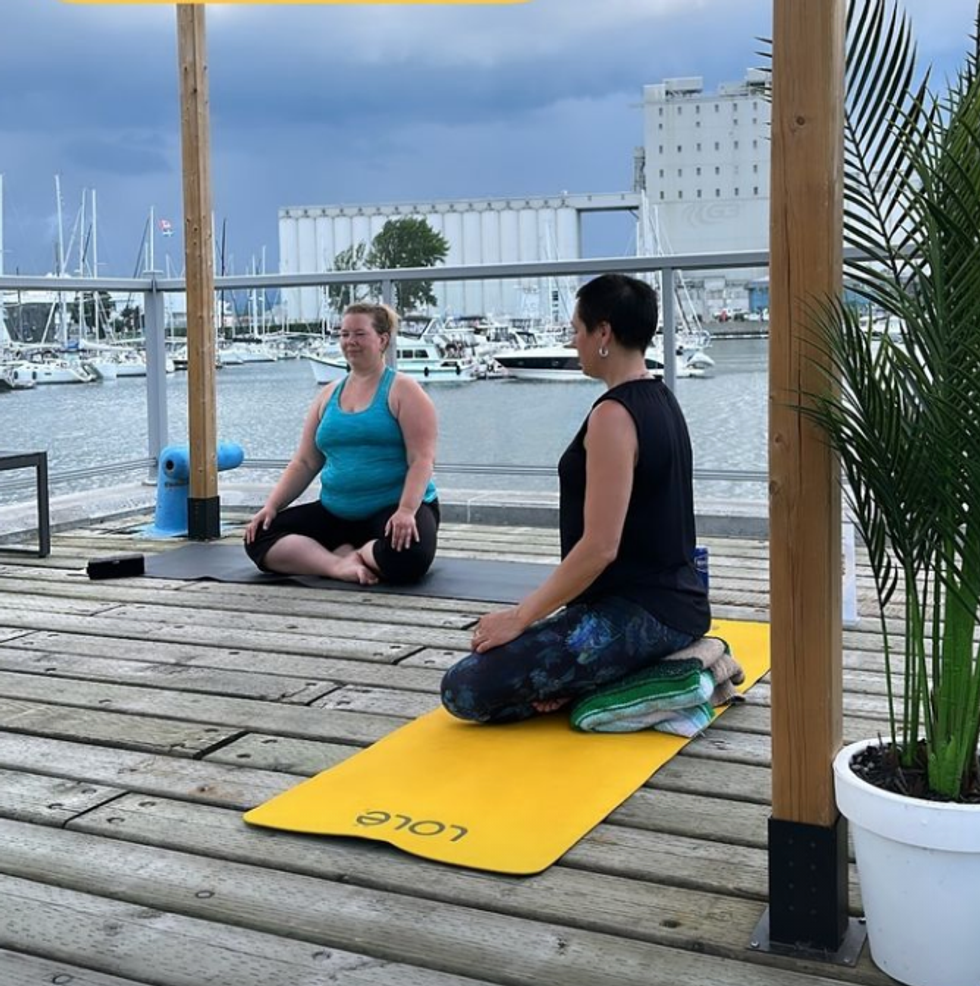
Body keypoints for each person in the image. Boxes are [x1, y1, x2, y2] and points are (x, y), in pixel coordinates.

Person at [441, 274, 710, 723]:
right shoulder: (661, 396)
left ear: (603, 333)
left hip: (645, 616)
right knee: (529, 658)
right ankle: (587, 678)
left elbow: (600, 547)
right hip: (678, 606)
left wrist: (520, 617)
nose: (574, 342)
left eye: (576, 330)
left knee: (464, 687)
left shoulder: (613, 415)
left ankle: (619, 681)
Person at [244, 302, 439, 586]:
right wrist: (271, 506)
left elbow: (421, 459)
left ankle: (360, 552)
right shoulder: (328, 394)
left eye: (359, 334)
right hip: (336, 512)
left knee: (409, 558)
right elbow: (306, 462)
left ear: (382, 339)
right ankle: (338, 564)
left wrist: (407, 511)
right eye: (344, 334)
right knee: (259, 536)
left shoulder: (404, 390)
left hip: (393, 509)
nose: (350, 342)